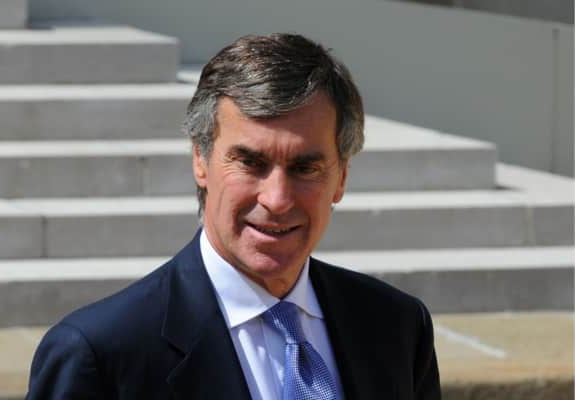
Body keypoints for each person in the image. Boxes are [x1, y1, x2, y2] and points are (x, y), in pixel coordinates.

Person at [26, 33, 441, 400]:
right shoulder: (100, 355)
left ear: (341, 178)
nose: (277, 199)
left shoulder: (398, 327)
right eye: (250, 163)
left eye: (305, 168)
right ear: (200, 160)